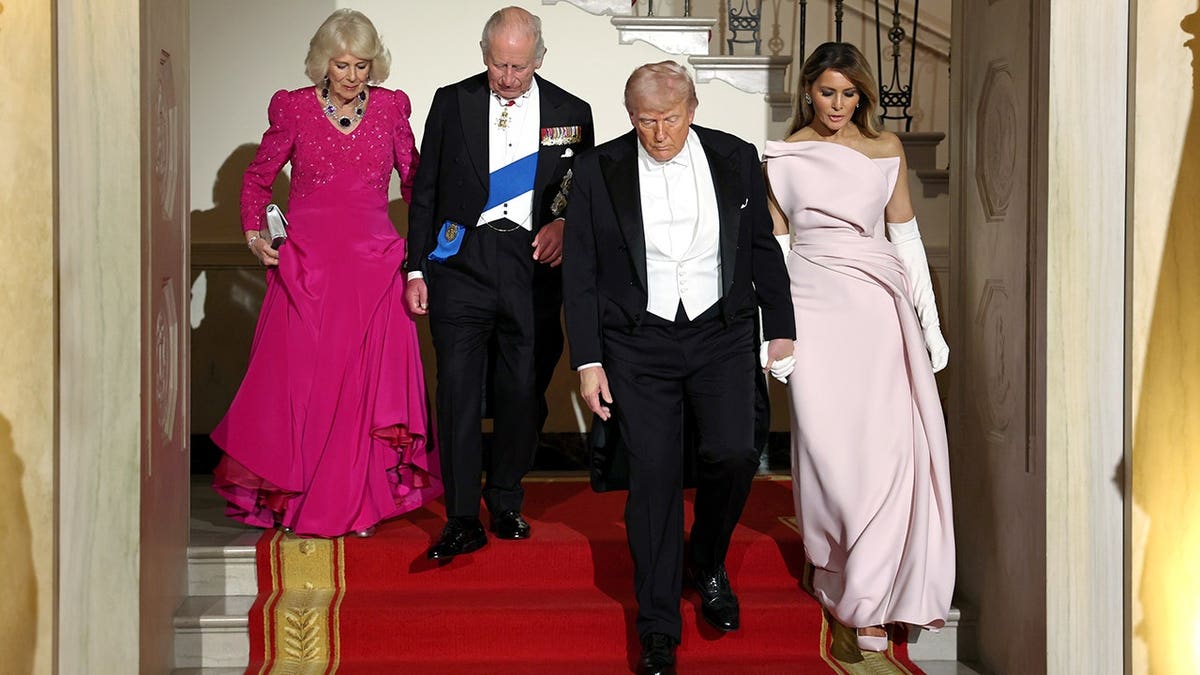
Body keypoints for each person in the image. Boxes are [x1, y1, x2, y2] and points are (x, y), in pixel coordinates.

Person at [563, 61, 796, 675]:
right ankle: (658, 626)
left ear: (692, 109)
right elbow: (580, 272)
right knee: (654, 479)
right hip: (638, 342)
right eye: (645, 122)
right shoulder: (596, 170)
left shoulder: (736, 156)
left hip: (721, 331)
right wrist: (588, 361)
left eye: (669, 119)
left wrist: (782, 328)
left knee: (736, 451)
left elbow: (761, 247)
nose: (658, 133)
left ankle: (709, 559)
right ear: (630, 116)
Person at [210, 9, 441, 538]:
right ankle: (303, 499)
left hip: (375, 267)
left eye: (362, 65)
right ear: (323, 63)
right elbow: (257, 180)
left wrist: (421, 253)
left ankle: (360, 502)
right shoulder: (292, 110)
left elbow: (417, 184)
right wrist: (254, 236)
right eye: (342, 65)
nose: (353, 76)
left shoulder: (389, 109)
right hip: (308, 268)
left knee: (364, 392)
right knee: (306, 388)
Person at [762, 41, 955, 653]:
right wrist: (775, 332)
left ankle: (873, 598)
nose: (838, 104)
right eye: (827, 92)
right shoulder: (781, 155)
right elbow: (779, 253)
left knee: (886, 453)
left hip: (877, 311)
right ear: (808, 92)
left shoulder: (885, 150)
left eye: (849, 93)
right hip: (813, 310)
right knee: (830, 456)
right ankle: (838, 568)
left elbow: (907, 242)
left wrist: (930, 324)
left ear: (863, 96)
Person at [404, 7, 594, 560]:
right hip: (460, 260)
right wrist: (417, 267)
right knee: (458, 391)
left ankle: (506, 497)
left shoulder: (571, 112)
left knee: (521, 389)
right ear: (483, 53)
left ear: (539, 58)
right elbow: (427, 188)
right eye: (497, 64)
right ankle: (462, 516)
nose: (507, 77)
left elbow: (581, 193)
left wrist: (564, 224)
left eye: (518, 66)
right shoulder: (452, 100)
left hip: (532, 266)